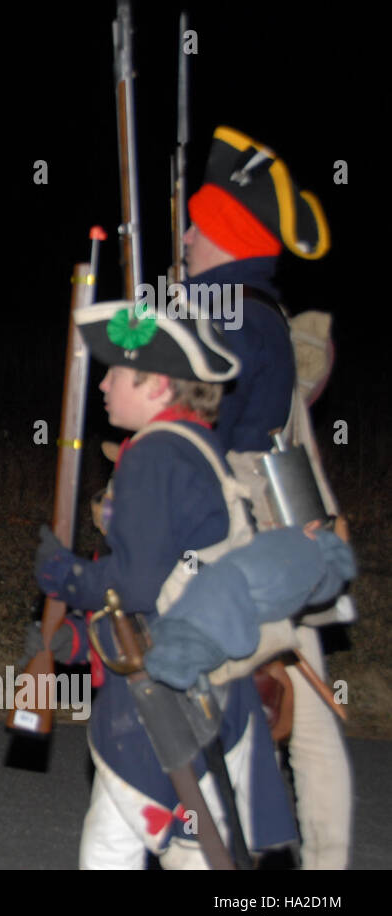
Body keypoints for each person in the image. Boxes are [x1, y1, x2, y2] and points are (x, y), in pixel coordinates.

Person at [35, 296, 297, 868]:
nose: (103, 385)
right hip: (200, 679)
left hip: (165, 697)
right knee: (156, 843)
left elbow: (138, 585)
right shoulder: (198, 445)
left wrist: (70, 576)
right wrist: (84, 637)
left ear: (156, 385)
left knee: (156, 849)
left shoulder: (154, 455)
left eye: (117, 373)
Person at [182, 125, 350, 868]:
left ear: (226, 232)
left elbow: (192, 432)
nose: (185, 234)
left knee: (196, 713)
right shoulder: (257, 309)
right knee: (308, 718)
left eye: (196, 223)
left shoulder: (220, 314)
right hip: (282, 536)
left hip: (228, 534)